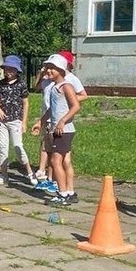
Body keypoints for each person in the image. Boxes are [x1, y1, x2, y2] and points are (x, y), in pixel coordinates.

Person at [33, 50, 87, 193]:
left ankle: (62, 193)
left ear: (61, 70)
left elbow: (76, 106)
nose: (48, 70)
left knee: (55, 161)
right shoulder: (53, 87)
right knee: (65, 161)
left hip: (64, 130)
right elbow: (51, 109)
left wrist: (62, 121)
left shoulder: (66, 86)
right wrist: (41, 122)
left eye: (52, 68)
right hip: (56, 129)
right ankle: (69, 191)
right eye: (47, 67)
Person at [0, 54, 34, 186]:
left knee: (18, 146)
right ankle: (4, 175)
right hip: (2, 121)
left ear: (17, 70)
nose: (8, 72)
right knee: (3, 147)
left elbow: (26, 103)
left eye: (11, 69)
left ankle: (29, 172)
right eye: (6, 69)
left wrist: (24, 122)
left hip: (16, 120)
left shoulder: (21, 84)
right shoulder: (1, 83)